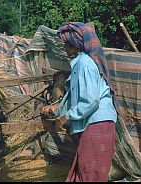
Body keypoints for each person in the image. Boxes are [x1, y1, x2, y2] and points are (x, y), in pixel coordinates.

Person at [41, 22, 117, 182]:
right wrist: (56, 108)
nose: (63, 47)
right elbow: (75, 96)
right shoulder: (80, 63)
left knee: (90, 174)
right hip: (94, 124)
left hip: (97, 125)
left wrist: (67, 117)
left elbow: (91, 100)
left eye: (66, 44)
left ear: (75, 45)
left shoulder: (85, 63)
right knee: (84, 173)